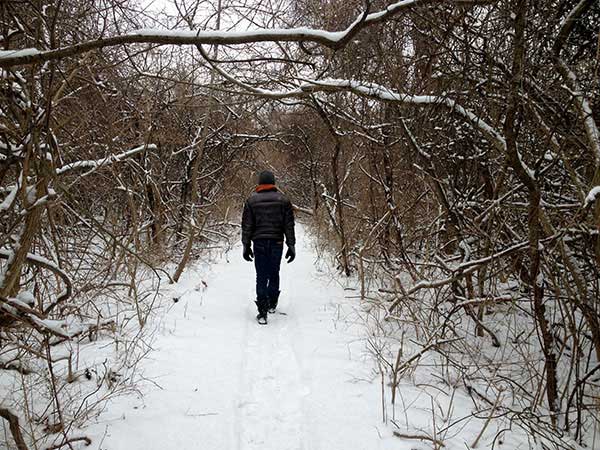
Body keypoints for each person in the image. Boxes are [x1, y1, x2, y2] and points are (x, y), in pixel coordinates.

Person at [241, 170, 296, 325]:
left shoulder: (251, 201)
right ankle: (272, 303)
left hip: (259, 242)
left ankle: (263, 312)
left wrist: (246, 245)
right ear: (273, 183)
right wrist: (291, 245)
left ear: (259, 183)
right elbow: (289, 225)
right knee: (274, 272)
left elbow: (247, 226)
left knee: (261, 275)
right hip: (277, 242)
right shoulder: (283, 200)